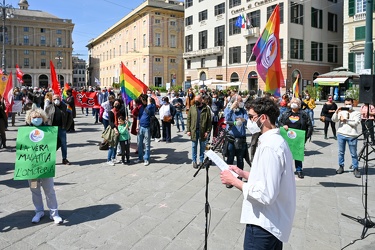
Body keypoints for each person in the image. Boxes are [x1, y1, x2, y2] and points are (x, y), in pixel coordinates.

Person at [220, 97, 296, 249]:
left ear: (263, 118)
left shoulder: (270, 146)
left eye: (251, 117)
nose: (249, 122)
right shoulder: (275, 140)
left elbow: (266, 194)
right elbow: (271, 178)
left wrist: (235, 181)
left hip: (264, 224)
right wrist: (244, 173)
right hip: (272, 222)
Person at [25, 107, 63, 224]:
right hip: (31, 167)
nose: (36, 119)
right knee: (34, 189)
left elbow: (58, 142)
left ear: (43, 118)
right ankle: (39, 211)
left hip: (45, 165)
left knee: (49, 189)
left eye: (39, 117)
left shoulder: (49, 131)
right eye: (34, 117)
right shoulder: (25, 132)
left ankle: (54, 213)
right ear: (29, 119)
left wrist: (49, 151)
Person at [279, 98, 313, 179]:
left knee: (297, 154)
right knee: (286, 154)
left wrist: (306, 137)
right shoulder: (286, 113)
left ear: (299, 105)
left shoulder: (304, 114)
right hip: (287, 138)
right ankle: (285, 170)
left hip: (298, 138)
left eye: (296, 102)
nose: (294, 104)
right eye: (292, 102)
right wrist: (283, 126)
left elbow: (309, 126)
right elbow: (279, 122)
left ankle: (299, 170)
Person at [332, 98, 361, 178]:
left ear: (352, 104)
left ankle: (355, 168)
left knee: (353, 153)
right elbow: (334, 120)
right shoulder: (342, 112)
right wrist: (337, 112)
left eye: (349, 104)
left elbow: (355, 123)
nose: (347, 105)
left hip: (352, 135)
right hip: (341, 134)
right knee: (341, 152)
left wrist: (345, 120)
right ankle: (341, 166)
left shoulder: (357, 113)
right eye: (346, 104)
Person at [224, 94, 248, 187]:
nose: (241, 102)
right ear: (235, 102)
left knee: (240, 159)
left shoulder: (242, 110)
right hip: (231, 138)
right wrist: (231, 109)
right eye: (240, 101)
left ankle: (239, 178)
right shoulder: (228, 109)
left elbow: (246, 119)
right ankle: (229, 179)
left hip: (241, 139)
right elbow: (226, 118)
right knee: (230, 158)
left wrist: (243, 119)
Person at [45, 94, 73, 165]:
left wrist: (66, 127)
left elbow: (70, 118)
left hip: (62, 128)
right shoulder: (49, 107)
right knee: (51, 144)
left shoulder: (66, 106)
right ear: (52, 100)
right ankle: (49, 159)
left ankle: (64, 159)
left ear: (60, 99)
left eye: (57, 99)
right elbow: (45, 117)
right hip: (52, 129)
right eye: (54, 99)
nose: (56, 100)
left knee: (63, 144)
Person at [186, 94, 212, 169]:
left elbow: (209, 121)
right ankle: (194, 161)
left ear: (201, 100)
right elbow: (188, 119)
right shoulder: (192, 108)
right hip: (194, 130)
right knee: (194, 146)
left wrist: (208, 131)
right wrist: (188, 130)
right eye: (195, 100)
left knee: (202, 147)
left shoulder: (206, 109)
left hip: (203, 131)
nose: (195, 101)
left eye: (197, 100)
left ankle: (201, 161)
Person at [135, 94, 156, 166]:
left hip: (147, 127)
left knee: (147, 144)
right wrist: (137, 126)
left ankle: (146, 158)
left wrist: (148, 99)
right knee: (139, 144)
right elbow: (138, 117)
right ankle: (140, 157)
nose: (142, 101)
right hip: (141, 127)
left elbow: (151, 104)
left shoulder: (151, 106)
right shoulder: (141, 107)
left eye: (143, 100)